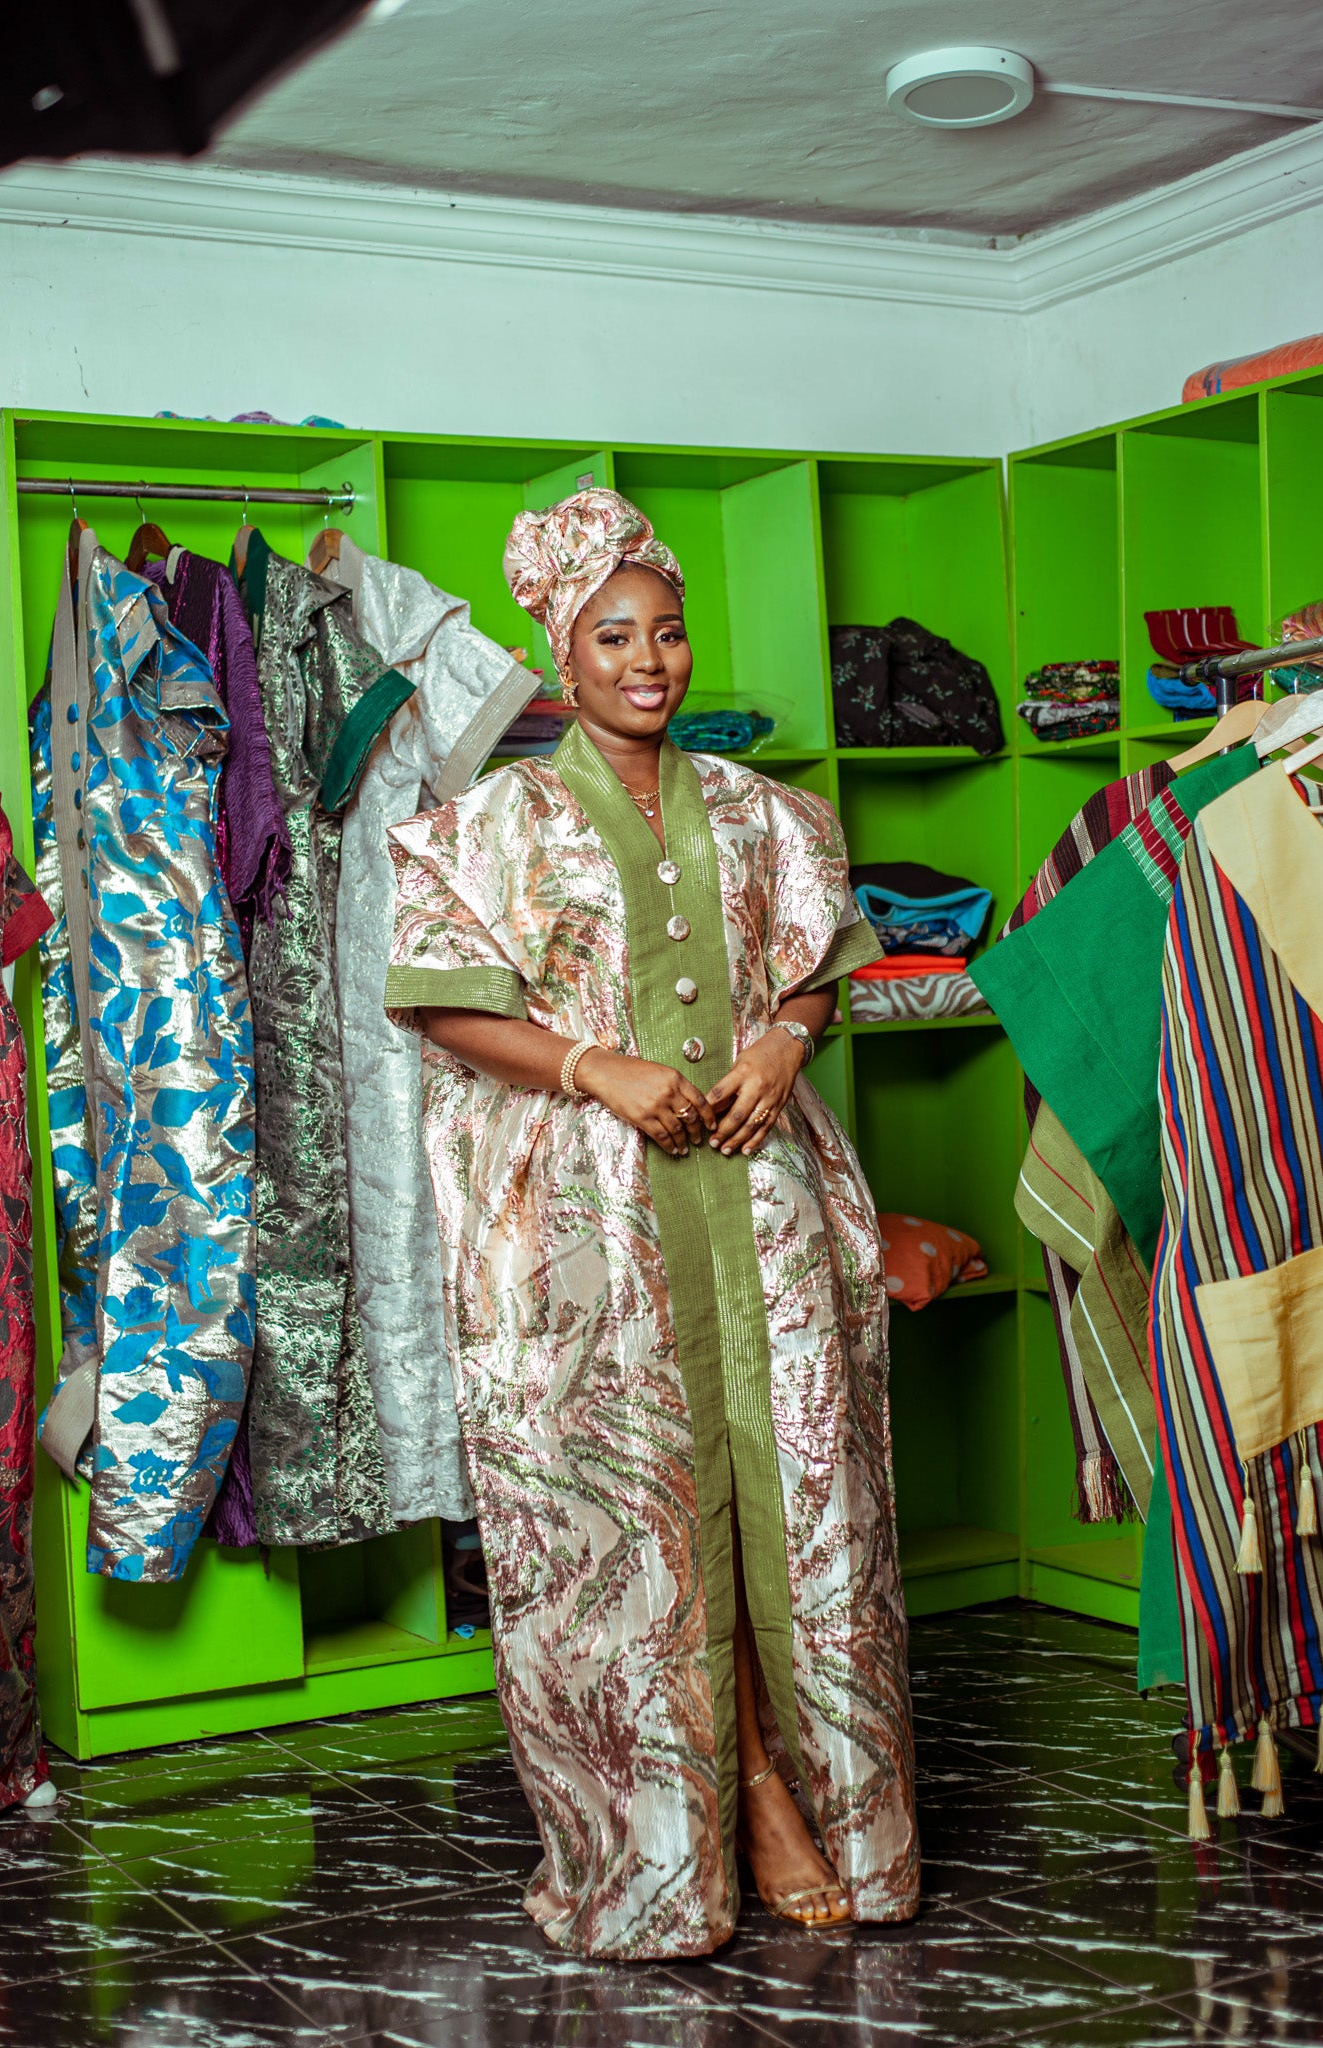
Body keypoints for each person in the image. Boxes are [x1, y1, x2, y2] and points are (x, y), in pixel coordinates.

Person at [385, 488, 919, 1960]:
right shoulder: (488, 824)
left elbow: (814, 967)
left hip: (762, 1202)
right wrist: (592, 1064)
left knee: (796, 1508)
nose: (651, 660)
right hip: (592, 1227)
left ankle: (812, 1804)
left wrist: (786, 1044)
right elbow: (441, 1000)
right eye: (615, 633)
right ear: (561, 649)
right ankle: (705, 1822)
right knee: (642, 1527)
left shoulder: (763, 814)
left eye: (671, 630)